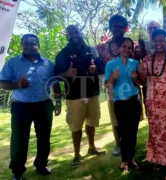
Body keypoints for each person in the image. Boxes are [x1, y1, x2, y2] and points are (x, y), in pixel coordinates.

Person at [0, 34, 61, 180]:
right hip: (21, 108)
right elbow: (2, 82)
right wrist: (17, 84)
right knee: (19, 140)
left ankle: (41, 165)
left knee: (44, 138)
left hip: (44, 105)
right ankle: (17, 171)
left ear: (38, 46)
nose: (29, 46)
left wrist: (58, 102)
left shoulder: (48, 63)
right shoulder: (13, 63)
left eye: (33, 43)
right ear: (21, 46)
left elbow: (55, 83)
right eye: (25, 43)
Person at [55, 25, 106, 168]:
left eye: (76, 32)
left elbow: (102, 67)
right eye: (70, 33)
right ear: (67, 36)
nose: (74, 35)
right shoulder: (63, 54)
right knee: (76, 126)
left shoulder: (92, 50)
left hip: (92, 93)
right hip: (74, 95)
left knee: (91, 122)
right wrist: (66, 74)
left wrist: (96, 69)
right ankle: (77, 155)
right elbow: (56, 76)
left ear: (80, 33)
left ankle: (92, 147)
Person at [139, 30, 166, 180]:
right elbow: (142, 82)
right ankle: (157, 159)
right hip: (152, 101)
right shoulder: (146, 59)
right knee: (155, 131)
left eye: (161, 40)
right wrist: (140, 74)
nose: (159, 43)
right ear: (152, 42)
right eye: (156, 40)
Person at [105, 37, 142, 172]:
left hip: (134, 101)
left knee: (133, 132)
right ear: (119, 48)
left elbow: (139, 85)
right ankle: (124, 160)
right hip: (120, 103)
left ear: (132, 50)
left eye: (129, 47)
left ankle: (130, 159)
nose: (126, 49)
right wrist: (112, 77)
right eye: (124, 46)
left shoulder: (135, 63)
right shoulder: (110, 64)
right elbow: (108, 85)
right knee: (124, 132)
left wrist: (135, 78)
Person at [96, 14, 129, 156]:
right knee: (115, 117)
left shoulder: (130, 44)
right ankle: (118, 145)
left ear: (124, 29)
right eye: (115, 26)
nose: (118, 29)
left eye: (121, 27)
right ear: (111, 28)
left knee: (130, 118)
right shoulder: (102, 47)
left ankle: (128, 143)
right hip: (112, 88)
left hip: (129, 88)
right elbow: (96, 65)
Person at [136, 20, 161, 118]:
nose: (152, 30)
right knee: (151, 114)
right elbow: (139, 59)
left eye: (155, 28)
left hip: (163, 85)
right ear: (147, 30)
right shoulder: (143, 43)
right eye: (150, 28)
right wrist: (141, 47)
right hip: (148, 85)